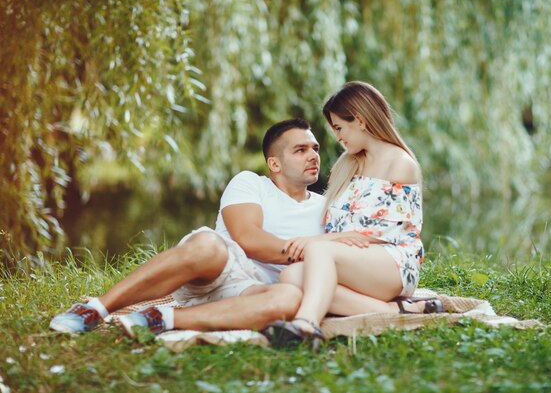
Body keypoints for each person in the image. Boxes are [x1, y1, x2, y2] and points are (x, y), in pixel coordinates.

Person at [50, 118, 331, 336]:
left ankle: (159, 319)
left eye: (315, 149)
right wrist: (310, 248)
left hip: (254, 292)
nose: (313, 156)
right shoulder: (250, 183)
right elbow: (248, 239)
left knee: (289, 298)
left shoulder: (328, 205)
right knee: (208, 246)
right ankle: (96, 309)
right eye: (301, 150)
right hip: (221, 269)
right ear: (275, 163)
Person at [264, 81, 443, 347]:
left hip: (393, 264)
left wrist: (328, 242)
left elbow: (385, 234)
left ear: (359, 120)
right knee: (290, 276)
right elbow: (341, 228)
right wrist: (338, 240)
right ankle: (396, 312)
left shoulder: (400, 163)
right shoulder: (347, 165)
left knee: (318, 252)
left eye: (339, 127)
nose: (337, 137)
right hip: (353, 259)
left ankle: (306, 325)